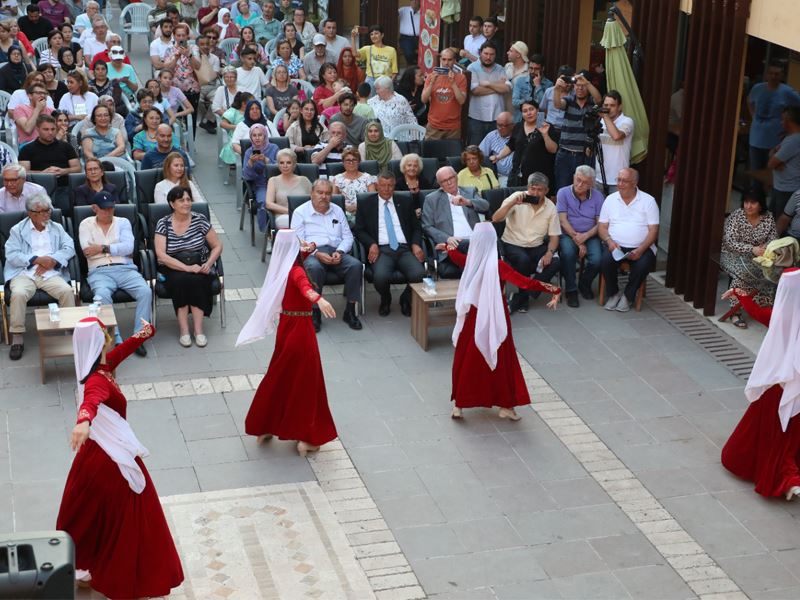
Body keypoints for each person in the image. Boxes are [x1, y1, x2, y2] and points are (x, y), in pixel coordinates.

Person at [56, 317, 184, 597]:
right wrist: (83, 420)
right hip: (111, 461)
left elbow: (122, 351)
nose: (110, 335)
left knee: (90, 514)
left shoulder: (101, 367)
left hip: (93, 458)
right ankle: (125, 577)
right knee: (130, 516)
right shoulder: (96, 380)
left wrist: (144, 333)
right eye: (105, 333)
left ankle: (84, 569)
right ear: (100, 341)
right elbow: (92, 399)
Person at [236, 229, 338, 456]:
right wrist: (319, 300)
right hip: (301, 332)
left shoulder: (280, 269)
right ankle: (307, 438)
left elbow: (305, 249)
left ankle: (265, 426)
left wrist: (308, 247)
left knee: (279, 376)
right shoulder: (296, 271)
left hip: (286, 328)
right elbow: (305, 287)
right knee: (307, 384)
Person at [441, 223, 559, 419]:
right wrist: (553, 289)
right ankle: (506, 405)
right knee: (502, 359)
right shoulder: (498, 266)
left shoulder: (471, 261)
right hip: (496, 315)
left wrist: (447, 246)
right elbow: (525, 282)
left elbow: (455, 256)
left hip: (475, 316)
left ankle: (459, 404)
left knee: (468, 357)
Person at [720, 268, 800, 500]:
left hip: (780, 385)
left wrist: (739, 293)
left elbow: (756, 312)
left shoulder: (780, 317)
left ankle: (787, 478)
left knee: (774, 433)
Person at [78, 190, 152, 352]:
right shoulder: (85, 224)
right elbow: (87, 251)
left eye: (111, 208)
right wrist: (116, 249)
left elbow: (129, 247)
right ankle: (116, 337)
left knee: (145, 291)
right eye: (104, 209)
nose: (108, 212)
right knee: (102, 296)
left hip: (126, 268)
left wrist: (102, 248)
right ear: (94, 208)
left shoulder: (123, 222)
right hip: (99, 271)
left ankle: (138, 338)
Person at [4, 193, 75, 360]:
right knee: (19, 294)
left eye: (48, 210)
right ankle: (18, 338)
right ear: (31, 213)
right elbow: (12, 255)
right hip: (24, 273)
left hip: (50, 273)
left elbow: (69, 247)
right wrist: (36, 260)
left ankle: (69, 331)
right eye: (42, 211)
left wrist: (53, 260)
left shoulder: (56, 227)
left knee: (66, 291)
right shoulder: (18, 230)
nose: (46, 214)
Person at [154, 185, 223, 347]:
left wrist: (209, 263)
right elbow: (161, 255)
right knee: (181, 281)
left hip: (199, 263)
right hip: (173, 266)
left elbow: (217, 245)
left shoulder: (199, 219)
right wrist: (186, 268)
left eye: (188, 199)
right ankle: (184, 330)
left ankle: (198, 330)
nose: (186, 203)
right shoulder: (163, 223)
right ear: (172, 204)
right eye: (181, 200)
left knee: (197, 280)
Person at [290, 179, 363, 332]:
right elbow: (298, 241)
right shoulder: (300, 212)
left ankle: (350, 311)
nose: (324, 197)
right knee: (314, 267)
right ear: (312, 194)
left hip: (336, 251)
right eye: (320, 193)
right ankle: (315, 311)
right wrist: (316, 253)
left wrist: (340, 251)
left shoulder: (337, 210)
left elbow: (348, 237)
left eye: (328, 193)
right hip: (312, 253)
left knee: (355, 265)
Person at [354, 170, 425, 317]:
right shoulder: (366, 203)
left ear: (394, 186)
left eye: (390, 186)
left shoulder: (405, 200)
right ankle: (385, 299)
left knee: (419, 274)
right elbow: (359, 230)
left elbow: (416, 227)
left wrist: (416, 244)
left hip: (404, 248)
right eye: (383, 185)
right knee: (380, 277)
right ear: (377, 186)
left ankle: (406, 299)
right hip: (382, 250)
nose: (386, 189)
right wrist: (371, 244)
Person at [492, 172, 561, 313]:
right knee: (523, 259)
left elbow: (554, 236)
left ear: (546, 191)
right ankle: (524, 297)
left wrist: (549, 252)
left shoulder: (550, 207)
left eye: (539, 190)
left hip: (536, 246)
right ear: (528, 187)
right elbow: (496, 218)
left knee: (556, 261)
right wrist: (512, 203)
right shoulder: (517, 198)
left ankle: (525, 295)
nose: (535, 193)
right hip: (513, 243)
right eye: (532, 189)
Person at [598, 168, 659, 313]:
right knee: (605, 261)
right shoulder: (610, 199)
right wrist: (609, 241)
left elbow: (653, 231)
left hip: (642, 247)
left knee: (643, 265)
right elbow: (602, 227)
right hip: (615, 246)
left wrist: (641, 249)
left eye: (624, 181)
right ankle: (613, 294)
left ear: (635, 183)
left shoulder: (648, 201)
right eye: (618, 180)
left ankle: (628, 296)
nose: (619, 184)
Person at [720, 188, 777, 327]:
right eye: (746, 202)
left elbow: (774, 239)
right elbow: (729, 242)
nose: (748, 206)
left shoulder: (768, 217)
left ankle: (763, 308)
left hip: (758, 256)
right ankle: (735, 311)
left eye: (753, 203)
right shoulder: (737, 216)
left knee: (771, 274)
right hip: (732, 255)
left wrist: (765, 248)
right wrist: (752, 249)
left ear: (761, 204)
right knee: (743, 273)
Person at [423, 166, 487, 278]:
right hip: (453, 242)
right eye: (444, 181)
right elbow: (427, 226)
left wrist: (467, 202)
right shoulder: (431, 199)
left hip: (473, 240)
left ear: (456, 177)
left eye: (451, 178)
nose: (449, 183)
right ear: (440, 184)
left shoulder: (470, 191)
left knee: (478, 245)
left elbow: (485, 206)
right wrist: (447, 238)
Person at [556, 165, 605, 307]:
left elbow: (600, 223)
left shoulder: (598, 196)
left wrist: (586, 236)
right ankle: (571, 290)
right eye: (578, 180)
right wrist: (578, 240)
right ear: (573, 177)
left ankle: (584, 283)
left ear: (591, 184)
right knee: (568, 253)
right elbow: (562, 220)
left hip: (591, 235)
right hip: (568, 234)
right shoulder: (563, 193)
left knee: (597, 259)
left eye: (585, 182)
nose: (580, 184)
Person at [552, 70, 602, 191]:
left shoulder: (592, 103)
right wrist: (557, 89)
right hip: (565, 154)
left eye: (583, 86)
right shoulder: (569, 100)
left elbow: (600, 100)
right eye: (577, 85)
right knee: (562, 190)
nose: (580, 88)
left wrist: (587, 83)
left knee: (582, 190)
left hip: (584, 155)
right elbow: (558, 104)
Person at [748, 61, 800, 174]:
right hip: (756, 139)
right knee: (756, 172)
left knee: (773, 174)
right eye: (771, 73)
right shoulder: (757, 88)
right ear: (766, 74)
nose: (773, 76)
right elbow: (750, 102)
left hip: (775, 141)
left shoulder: (787, 92)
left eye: (777, 74)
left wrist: (792, 129)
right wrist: (753, 115)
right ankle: (755, 191)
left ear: (782, 76)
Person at [491, 99, 557, 186]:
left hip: (538, 176)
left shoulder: (546, 126)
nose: (529, 113)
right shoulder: (518, 126)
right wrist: (498, 157)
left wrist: (545, 134)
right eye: (525, 111)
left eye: (531, 109)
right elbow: (511, 146)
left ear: (537, 110)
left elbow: (553, 150)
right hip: (518, 174)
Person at [19, 114, 81, 199]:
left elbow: (78, 168)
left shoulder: (66, 147)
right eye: (46, 129)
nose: (50, 132)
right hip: (37, 189)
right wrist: (43, 174)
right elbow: (23, 172)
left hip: (64, 187)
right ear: (37, 129)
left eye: (53, 129)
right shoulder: (27, 149)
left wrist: (63, 171)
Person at [467, 43, 511, 146]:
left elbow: (507, 88)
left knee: (494, 149)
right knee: (475, 149)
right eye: (486, 53)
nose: (488, 57)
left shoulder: (500, 68)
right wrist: (498, 87)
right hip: (477, 117)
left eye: (491, 54)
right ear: (480, 53)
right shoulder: (472, 68)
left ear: (495, 55)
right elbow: (475, 91)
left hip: (496, 118)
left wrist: (488, 84)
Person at [422, 48, 467, 140]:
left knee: (451, 154)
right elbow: (424, 99)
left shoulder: (461, 78)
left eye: (449, 60)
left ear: (454, 61)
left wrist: (453, 83)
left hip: (453, 128)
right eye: (444, 59)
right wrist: (431, 83)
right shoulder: (431, 76)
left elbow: (462, 101)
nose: (446, 63)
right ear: (440, 60)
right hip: (434, 126)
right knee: (430, 154)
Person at [241, 123, 279, 230]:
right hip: (261, 185)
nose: (257, 138)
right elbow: (247, 177)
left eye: (260, 135)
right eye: (254, 135)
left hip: (277, 182)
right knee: (264, 202)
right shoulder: (249, 152)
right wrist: (250, 163)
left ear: (265, 136)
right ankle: (266, 233)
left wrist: (266, 160)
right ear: (251, 137)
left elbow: (280, 168)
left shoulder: (274, 148)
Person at [595, 90, 634, 194]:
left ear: (620, 107)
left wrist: (605, 116)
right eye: (605, 105)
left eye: (612, 105)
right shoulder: (599, 121)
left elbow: (617, 136)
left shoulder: (627, 121)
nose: (608, 108)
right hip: (598, 178)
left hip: (619, 180)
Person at [265, 147, 311, 230]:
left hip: (304, 216)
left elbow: (313, 200)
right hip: (283, 217)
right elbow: (269, 204)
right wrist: (290, 212)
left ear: (294, 164)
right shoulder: (273, 180)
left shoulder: (304, 180)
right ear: (278, 164)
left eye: (288, 162)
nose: (285, 166)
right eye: (281, 163)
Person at [768, 105, 800, 220]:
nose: (781, 122)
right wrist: (776, 158)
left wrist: (775, 159)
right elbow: (772, 153)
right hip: (783, 187)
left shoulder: (793, 141)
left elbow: (771, 164)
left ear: (789, 121)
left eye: (782, 119)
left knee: (779, 222)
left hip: (786, 190)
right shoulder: (789, 138)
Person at [331, 146, 376, 223]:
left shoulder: (367, 177)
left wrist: (357, 207)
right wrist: (346, 208)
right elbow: (334, 201)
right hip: (343, 214)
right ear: (343, 162)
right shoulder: (337, 179)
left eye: (354, 160)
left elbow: (372, 199)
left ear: (359, 162)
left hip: (364, 213)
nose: (351, 163)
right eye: (348, 160)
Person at [350, 24, 397, 88]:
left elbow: (394, 71)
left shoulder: (391, 50)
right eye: (371, 34)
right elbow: (354, 54)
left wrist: (389, 84)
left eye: (376, 33)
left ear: (382, 35)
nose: (373, 36)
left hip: (385, 81)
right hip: (370, 80)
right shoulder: (367, 49)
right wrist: (353, 38)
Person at [512, 54, 552, 122]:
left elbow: (544, 107)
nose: (533, 71)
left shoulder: (549, 84)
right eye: (531, 68)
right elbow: (514, 102)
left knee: (540, 131)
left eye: (536, 69)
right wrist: (529, 101)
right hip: (521, 118)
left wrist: (538, 86)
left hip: (539, 120)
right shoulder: (520, 81)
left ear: (542, 69)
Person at [218, 90, 252, 165]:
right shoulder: (234, 111)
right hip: (236, 136)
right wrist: (237, 127)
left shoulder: (253, 112)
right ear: (244, 104)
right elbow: (222, 124)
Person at [397, 0, 419, 66]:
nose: (414, 2)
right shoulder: (403, 10)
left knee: (426, 53)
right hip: (406, 38)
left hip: (420, 38)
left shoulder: (424, 12)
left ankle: (416, 65)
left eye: (416, 0)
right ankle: (413, 66)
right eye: (412, 0)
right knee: (409, 53)